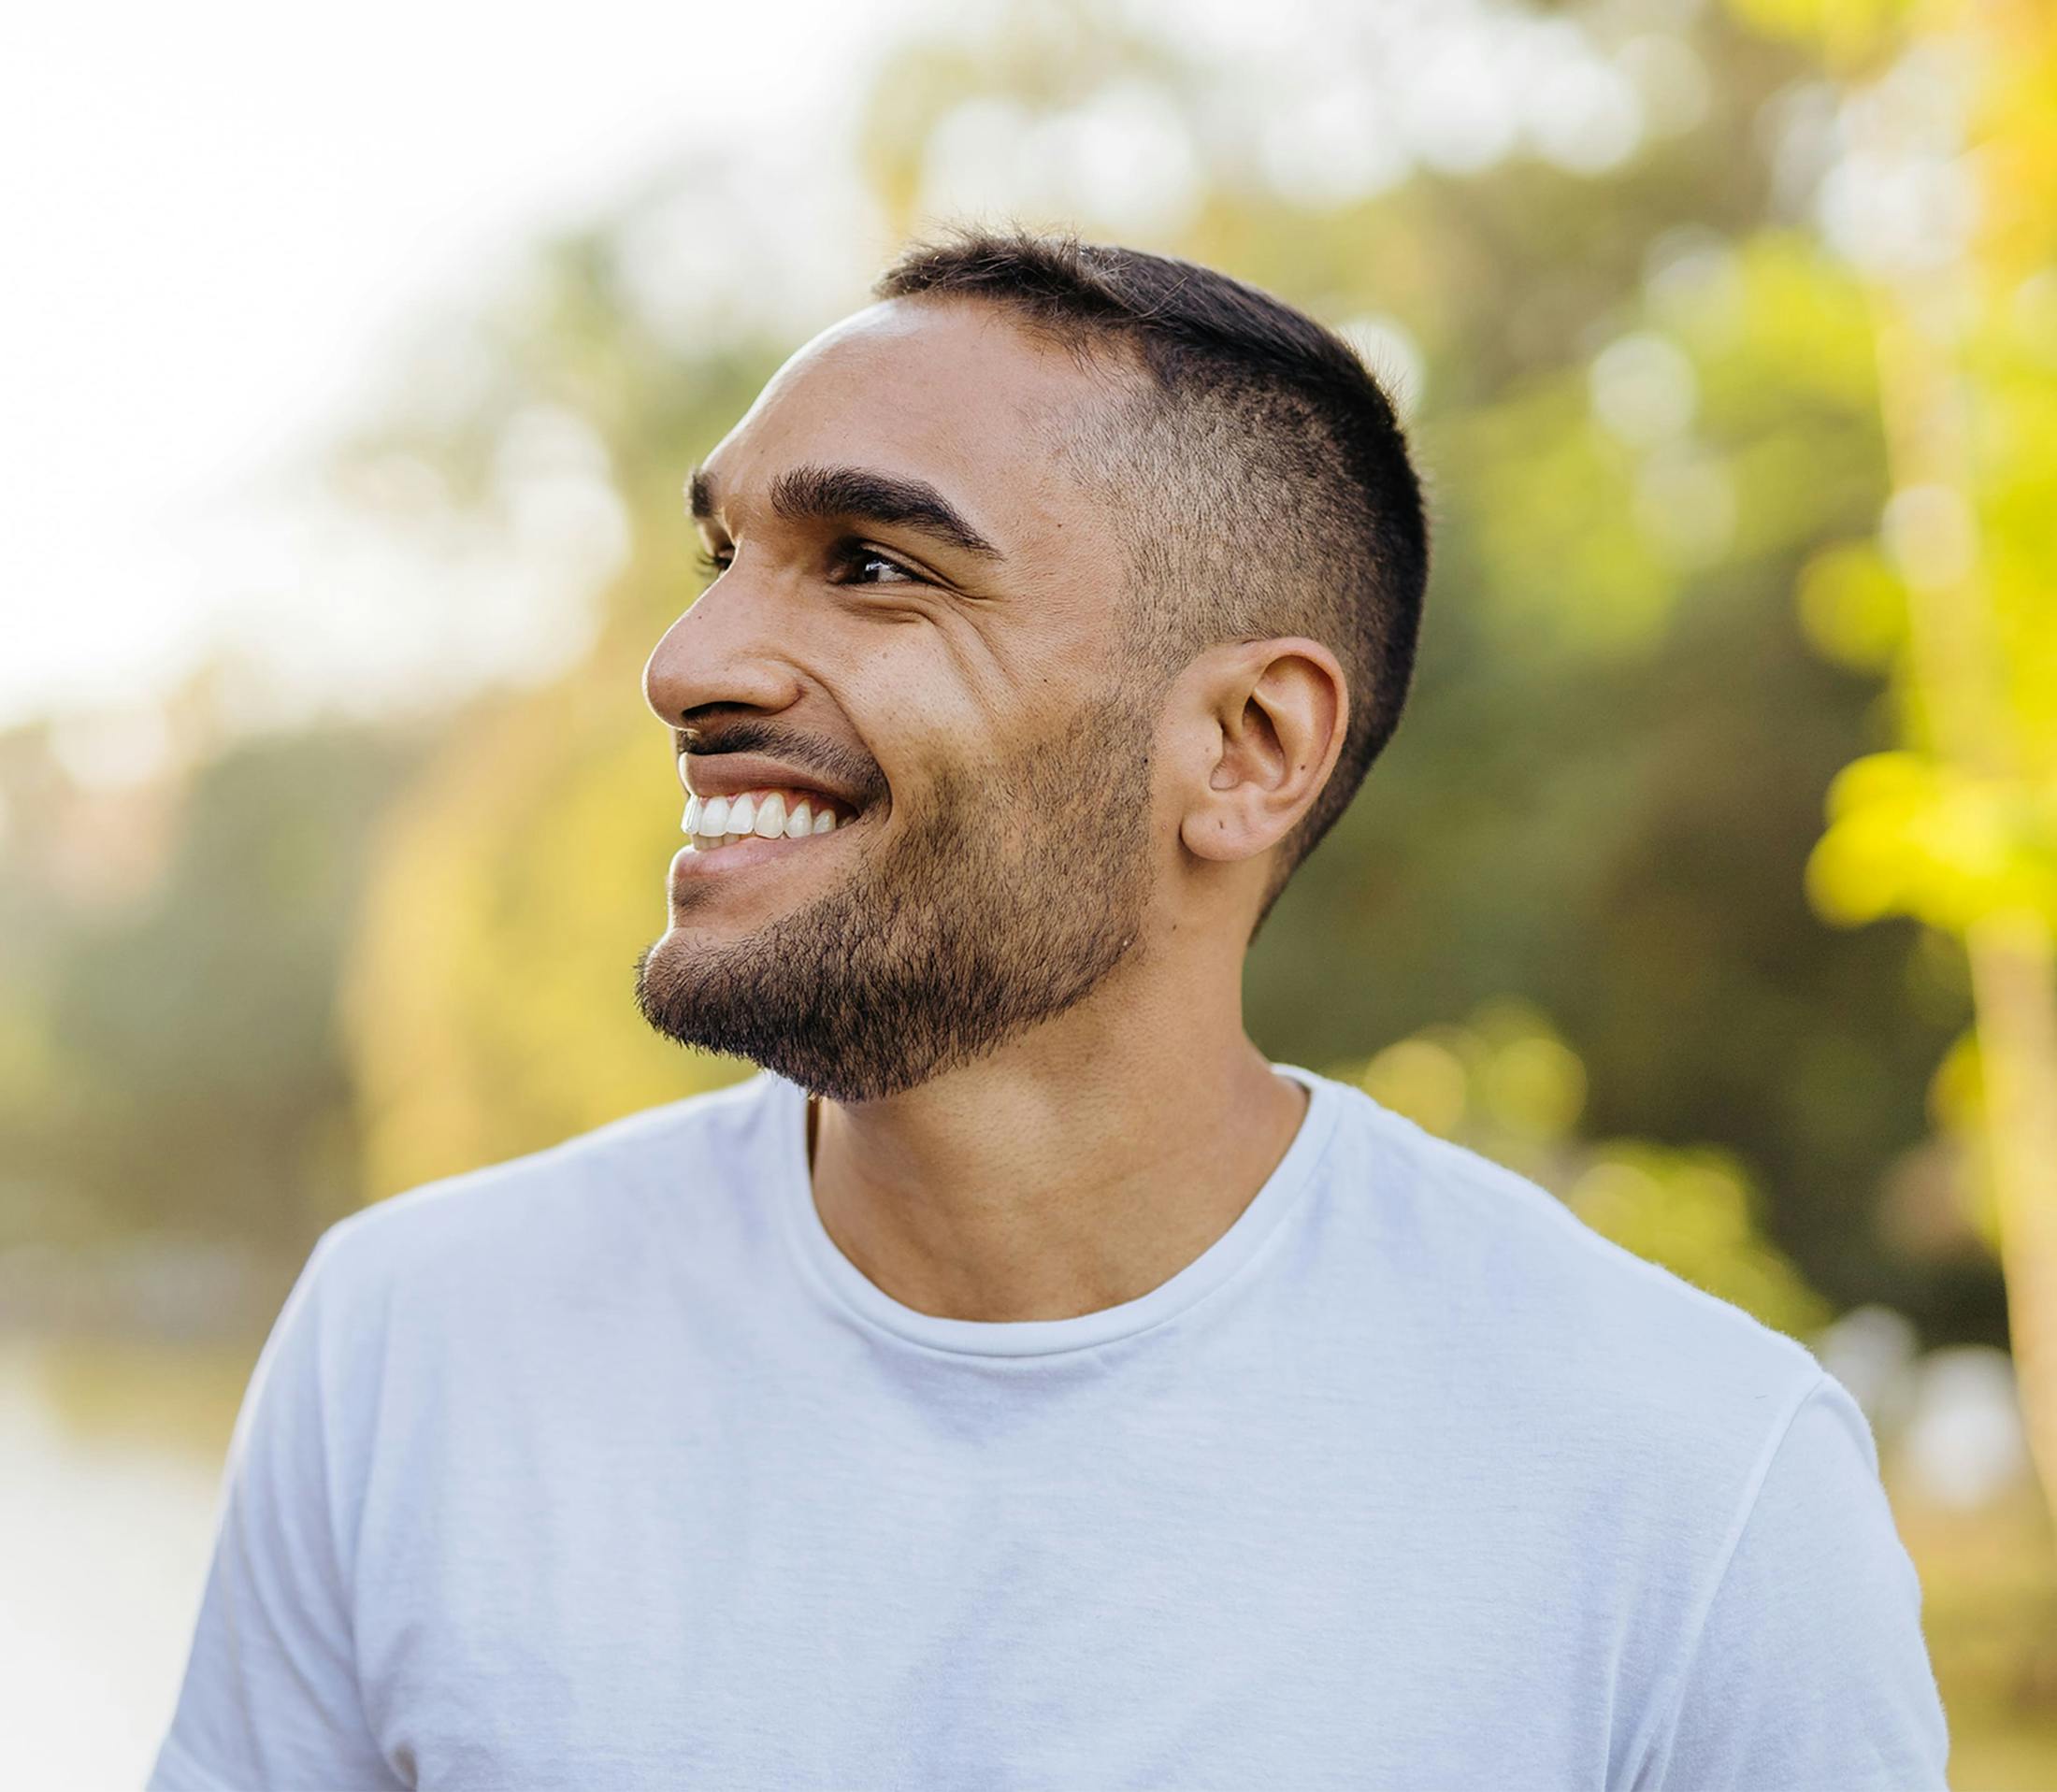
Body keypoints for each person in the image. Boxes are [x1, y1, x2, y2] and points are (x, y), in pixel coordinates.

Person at [151, 230, 1949, 1791]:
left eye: (873, 564)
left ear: (1247, 749)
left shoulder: (1692, 1487)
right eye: (726, 557)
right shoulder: (410, 1345)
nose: (687, 667)